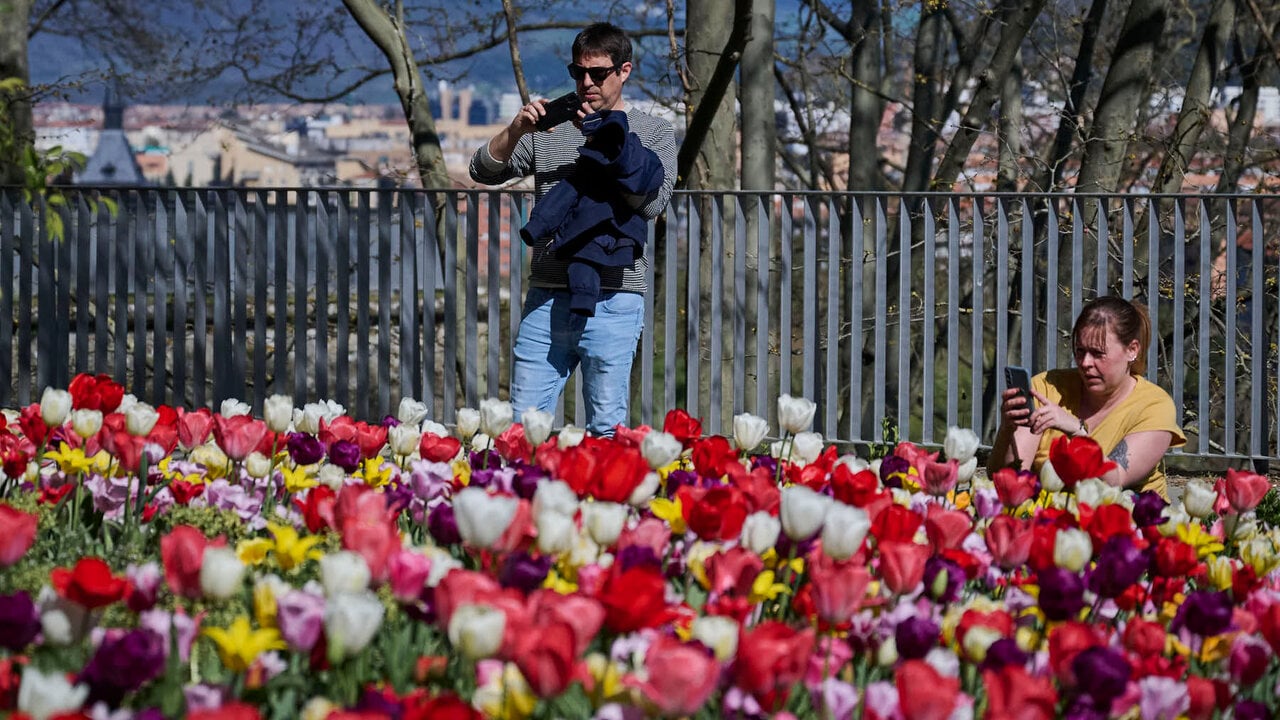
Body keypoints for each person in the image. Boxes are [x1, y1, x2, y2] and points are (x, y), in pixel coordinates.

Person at [469, 22, 677, 437]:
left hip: (615, 295)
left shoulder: (653, 133)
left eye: (598, 73)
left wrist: (611, 149)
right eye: (577, 73)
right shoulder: (548, 131)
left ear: (624, 71)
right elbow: (482, 171)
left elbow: (654, 203)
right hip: (547, 292)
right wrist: (515, 131)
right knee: (523, 427)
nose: (586, 83)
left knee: (605, 427)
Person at [989, 296, 1186, 497]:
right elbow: (1010, 480)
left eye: (1098, 353)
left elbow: (1115, 480)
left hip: (1128, 520)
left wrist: (1076, 430)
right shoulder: (1046, 388)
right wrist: (1007, 431)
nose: (1085, 363)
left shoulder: (1154, 406)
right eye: (1080, 351)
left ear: (1132, 350)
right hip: (1050, 518)